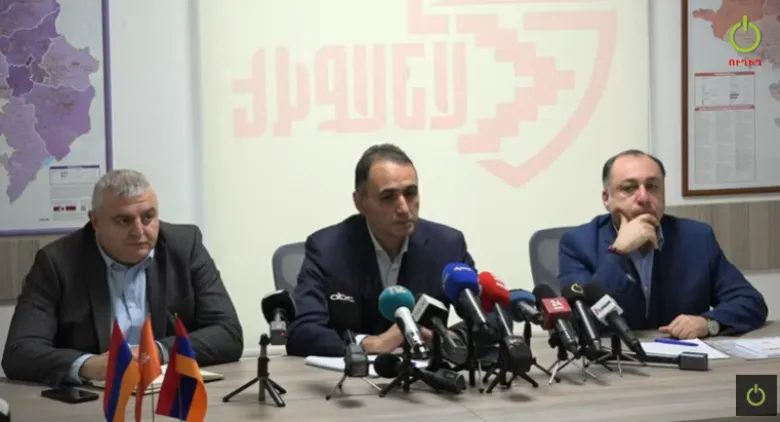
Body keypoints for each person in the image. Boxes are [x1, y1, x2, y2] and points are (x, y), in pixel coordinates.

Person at [2, 169, 243, 386]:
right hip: (94, 400)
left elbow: (227, 333)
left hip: (169, 394)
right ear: (95, 222)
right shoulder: (57, 262)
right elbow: (19, 352)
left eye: (148, 217)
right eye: (124, 220)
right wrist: (88, 366)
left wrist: (157, 352)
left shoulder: (185, 246)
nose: (139, 231)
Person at [286, 144, 507, 357]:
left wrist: (447, 339)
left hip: (425, 376)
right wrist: (369, 344)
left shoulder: (446, 245)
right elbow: (302, 331)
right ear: (360, 203)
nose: (403, 208)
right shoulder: (328, 249)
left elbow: (493, 318)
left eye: (410, 193)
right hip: (352, 377)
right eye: (388, 197)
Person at [558, 150, 768, 339]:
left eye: (652, 187)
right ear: (607, 199)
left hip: (684, 360)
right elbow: (580, 321)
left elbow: (750, 302)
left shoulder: (696, 238)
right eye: (629, 188)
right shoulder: (578, 243)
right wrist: (619, 252)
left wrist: (708, 323)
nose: (643, 197)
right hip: (615, 361)